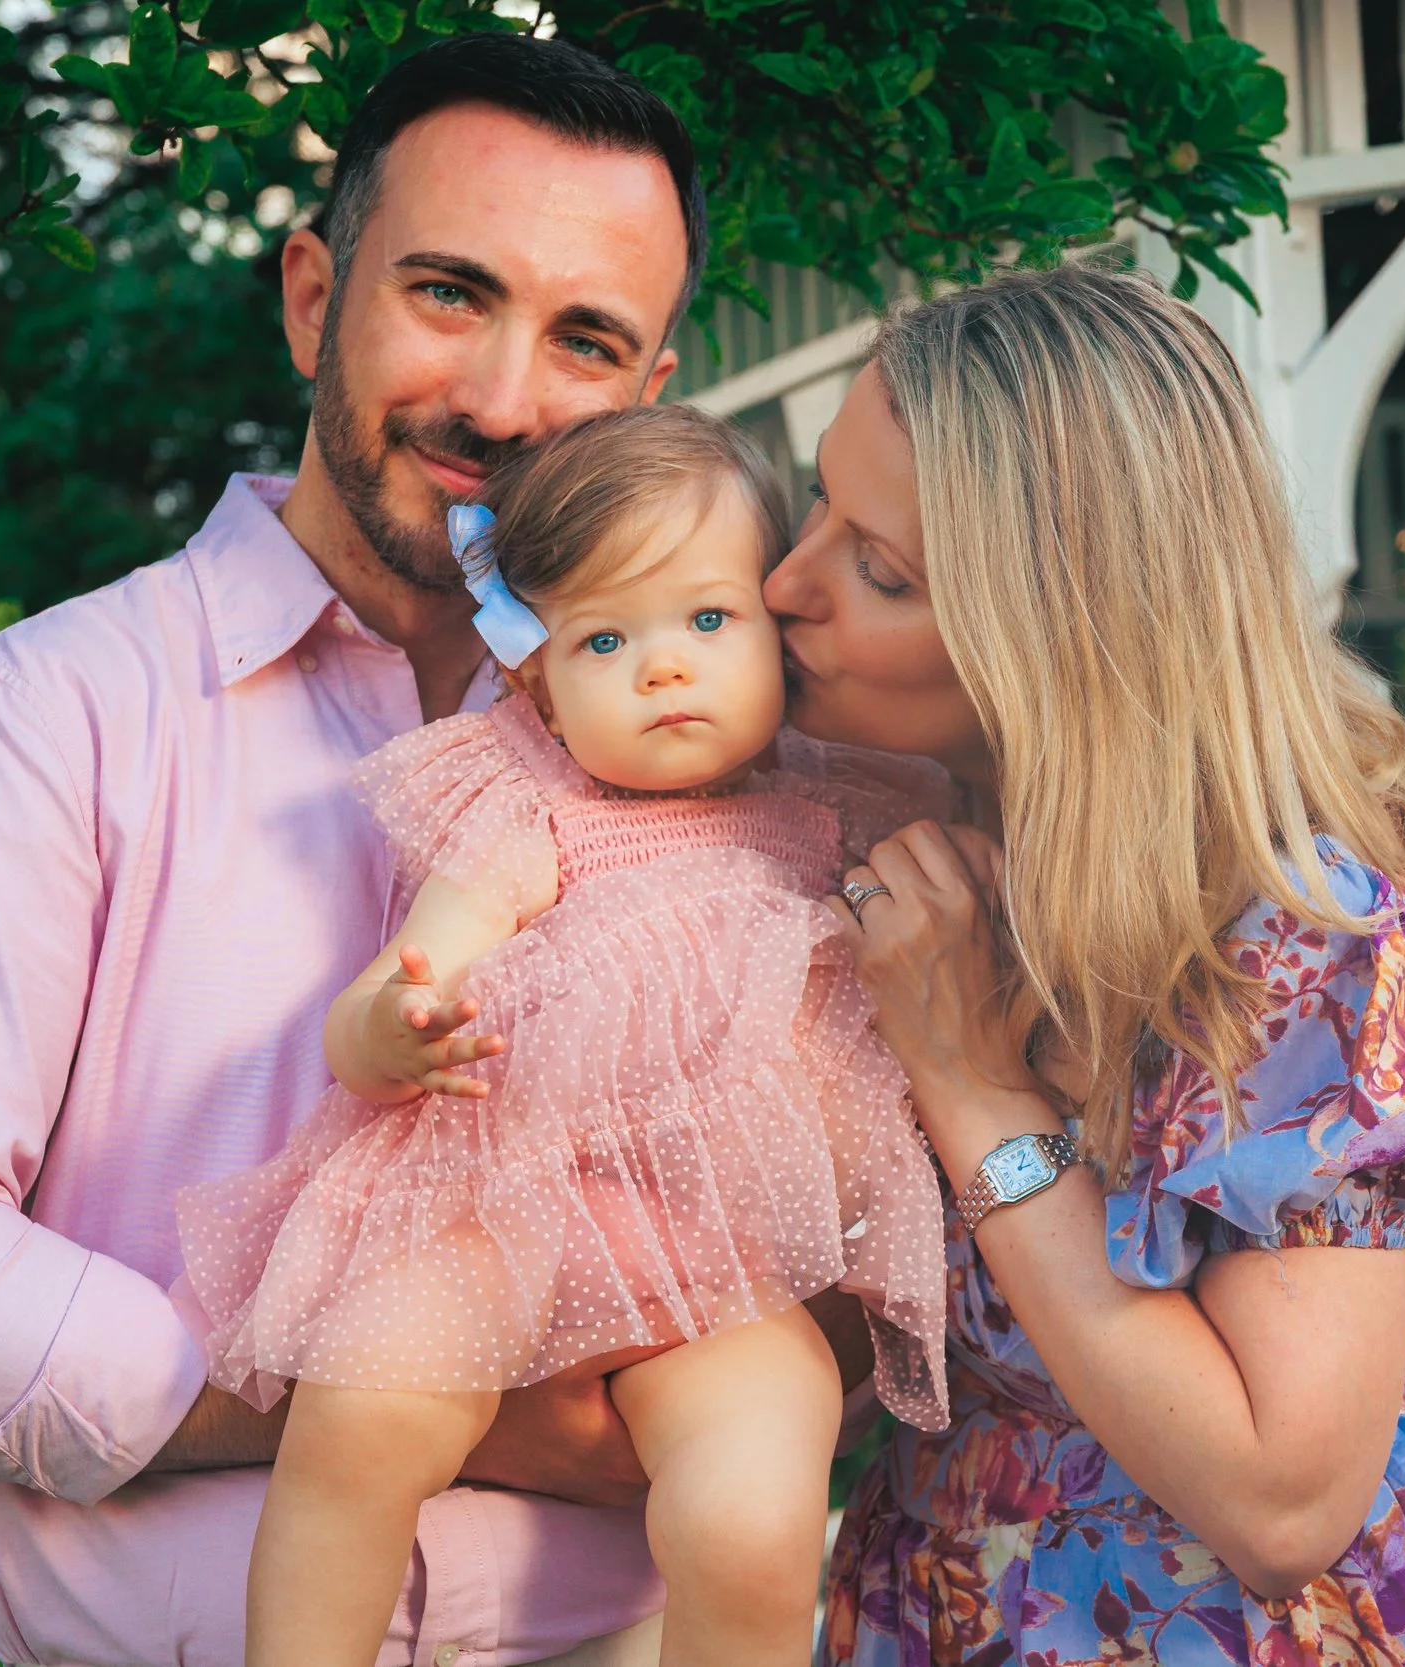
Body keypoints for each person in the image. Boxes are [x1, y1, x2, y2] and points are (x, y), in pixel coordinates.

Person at [0, 35, 786, 1667]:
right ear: (313, 299)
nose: (503, 400)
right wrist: (415, 1396)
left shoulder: (725, 760)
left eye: (584, 339)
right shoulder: (57, 712)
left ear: (646, 400)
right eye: (450, 293)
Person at [774, 260, 1405, 1664]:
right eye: (815, 506)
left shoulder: (1286, 944)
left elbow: (1281, 1502)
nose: (787, 582)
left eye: (880, 570)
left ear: (1059, 638)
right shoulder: (904, 886)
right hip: (947, 1602)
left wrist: (969, 1084)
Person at [177, 404, 950, 1667]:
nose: (663, 668)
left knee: (755, 1509)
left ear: (776, 624)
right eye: (604, 638)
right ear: (536, 679)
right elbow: (389, 990)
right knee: (357, 1418)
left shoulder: (838, 813)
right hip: (511, 1218)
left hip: (730, 1269)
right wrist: (397, 1030)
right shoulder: (533, 809)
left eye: (709, 620)